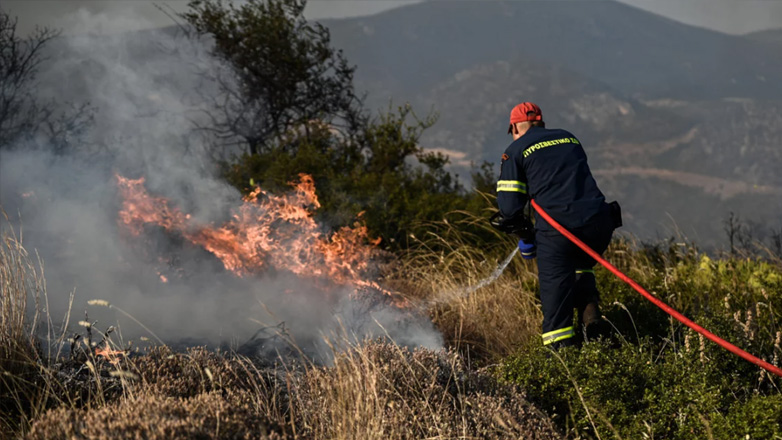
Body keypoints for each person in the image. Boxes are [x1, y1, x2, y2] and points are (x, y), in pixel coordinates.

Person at [494, 102, 620, 349]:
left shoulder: (514, 150)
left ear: (514, 127)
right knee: (581, 266)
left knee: (556, 308)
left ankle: (564, 367)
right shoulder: (568, 138)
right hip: (599, 224)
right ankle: (594, 328)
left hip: (561, 232)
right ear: (541, 123)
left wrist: (527, 239)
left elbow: (509, 210)